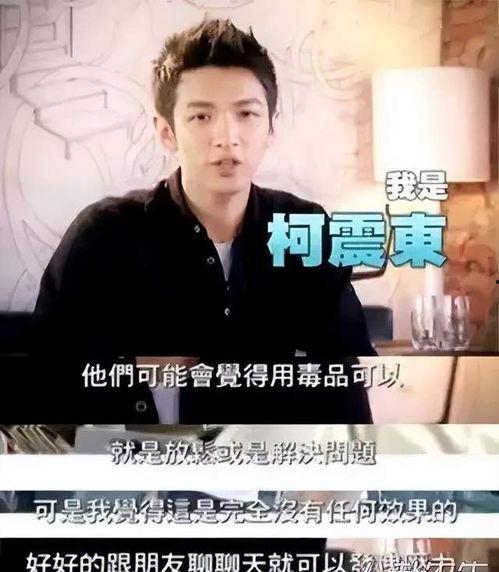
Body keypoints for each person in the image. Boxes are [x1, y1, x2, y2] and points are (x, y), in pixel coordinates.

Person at [30, 19, 375, 423]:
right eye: (200, 117)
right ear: (166, 132)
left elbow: (346, 383)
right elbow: (47, 383)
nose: (226, 136)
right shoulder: (103, 236)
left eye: (246, 113)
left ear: (271, 128)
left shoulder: (305, 229)